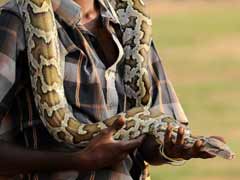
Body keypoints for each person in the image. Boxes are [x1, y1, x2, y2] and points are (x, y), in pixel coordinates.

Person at [0, 0, 224, 179]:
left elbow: (150, 133)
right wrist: (77, 161)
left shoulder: (131, 21)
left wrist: (171, 149)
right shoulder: (15, 20)